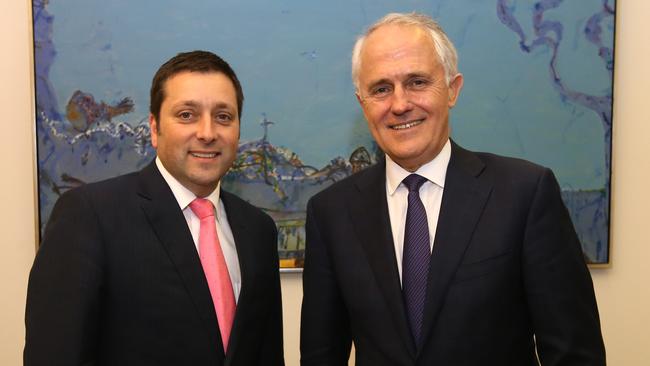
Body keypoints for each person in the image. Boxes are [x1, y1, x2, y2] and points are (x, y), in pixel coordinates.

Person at [300, 13, 605, 365]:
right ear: (363, 103)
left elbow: (574, 353)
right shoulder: (331, 213)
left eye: (417, 82)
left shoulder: (524, 193)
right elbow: (321, 357)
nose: (400, 105)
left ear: (452, 90)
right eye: (381, 89)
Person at [25, 50, 284, 366]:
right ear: (154, 128)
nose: (207, 132)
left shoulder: (258, 229)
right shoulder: (90, 216)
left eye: (223, 116)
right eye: (187, 114)